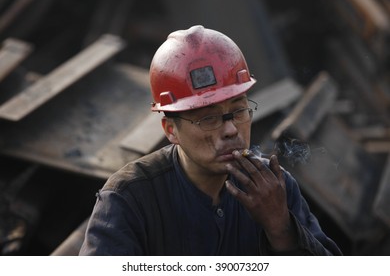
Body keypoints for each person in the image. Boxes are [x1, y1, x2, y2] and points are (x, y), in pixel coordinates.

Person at [79, 25, 342, 256]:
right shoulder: (131, 199)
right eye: (208, 118)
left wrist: (281, 228)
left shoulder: (275, 189)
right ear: (171, 130)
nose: (230, 130)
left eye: (238, 111)